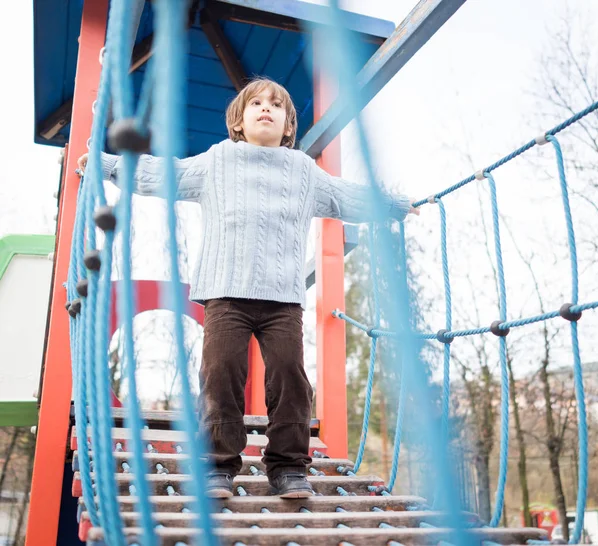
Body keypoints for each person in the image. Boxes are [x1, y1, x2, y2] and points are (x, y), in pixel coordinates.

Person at [78, 77, 419, 499]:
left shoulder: (304, 171)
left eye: (276, 106)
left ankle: (289, 467)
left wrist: (394, 204)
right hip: (225, 292)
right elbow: (163, 175)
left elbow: (346, 197)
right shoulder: (218, 160)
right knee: (221, 373)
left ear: (288, 126)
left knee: (290, 377)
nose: (265, 109)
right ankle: (218, 466)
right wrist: (107, 165)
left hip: (282, 298)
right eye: (255, 103)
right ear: (238, 122)